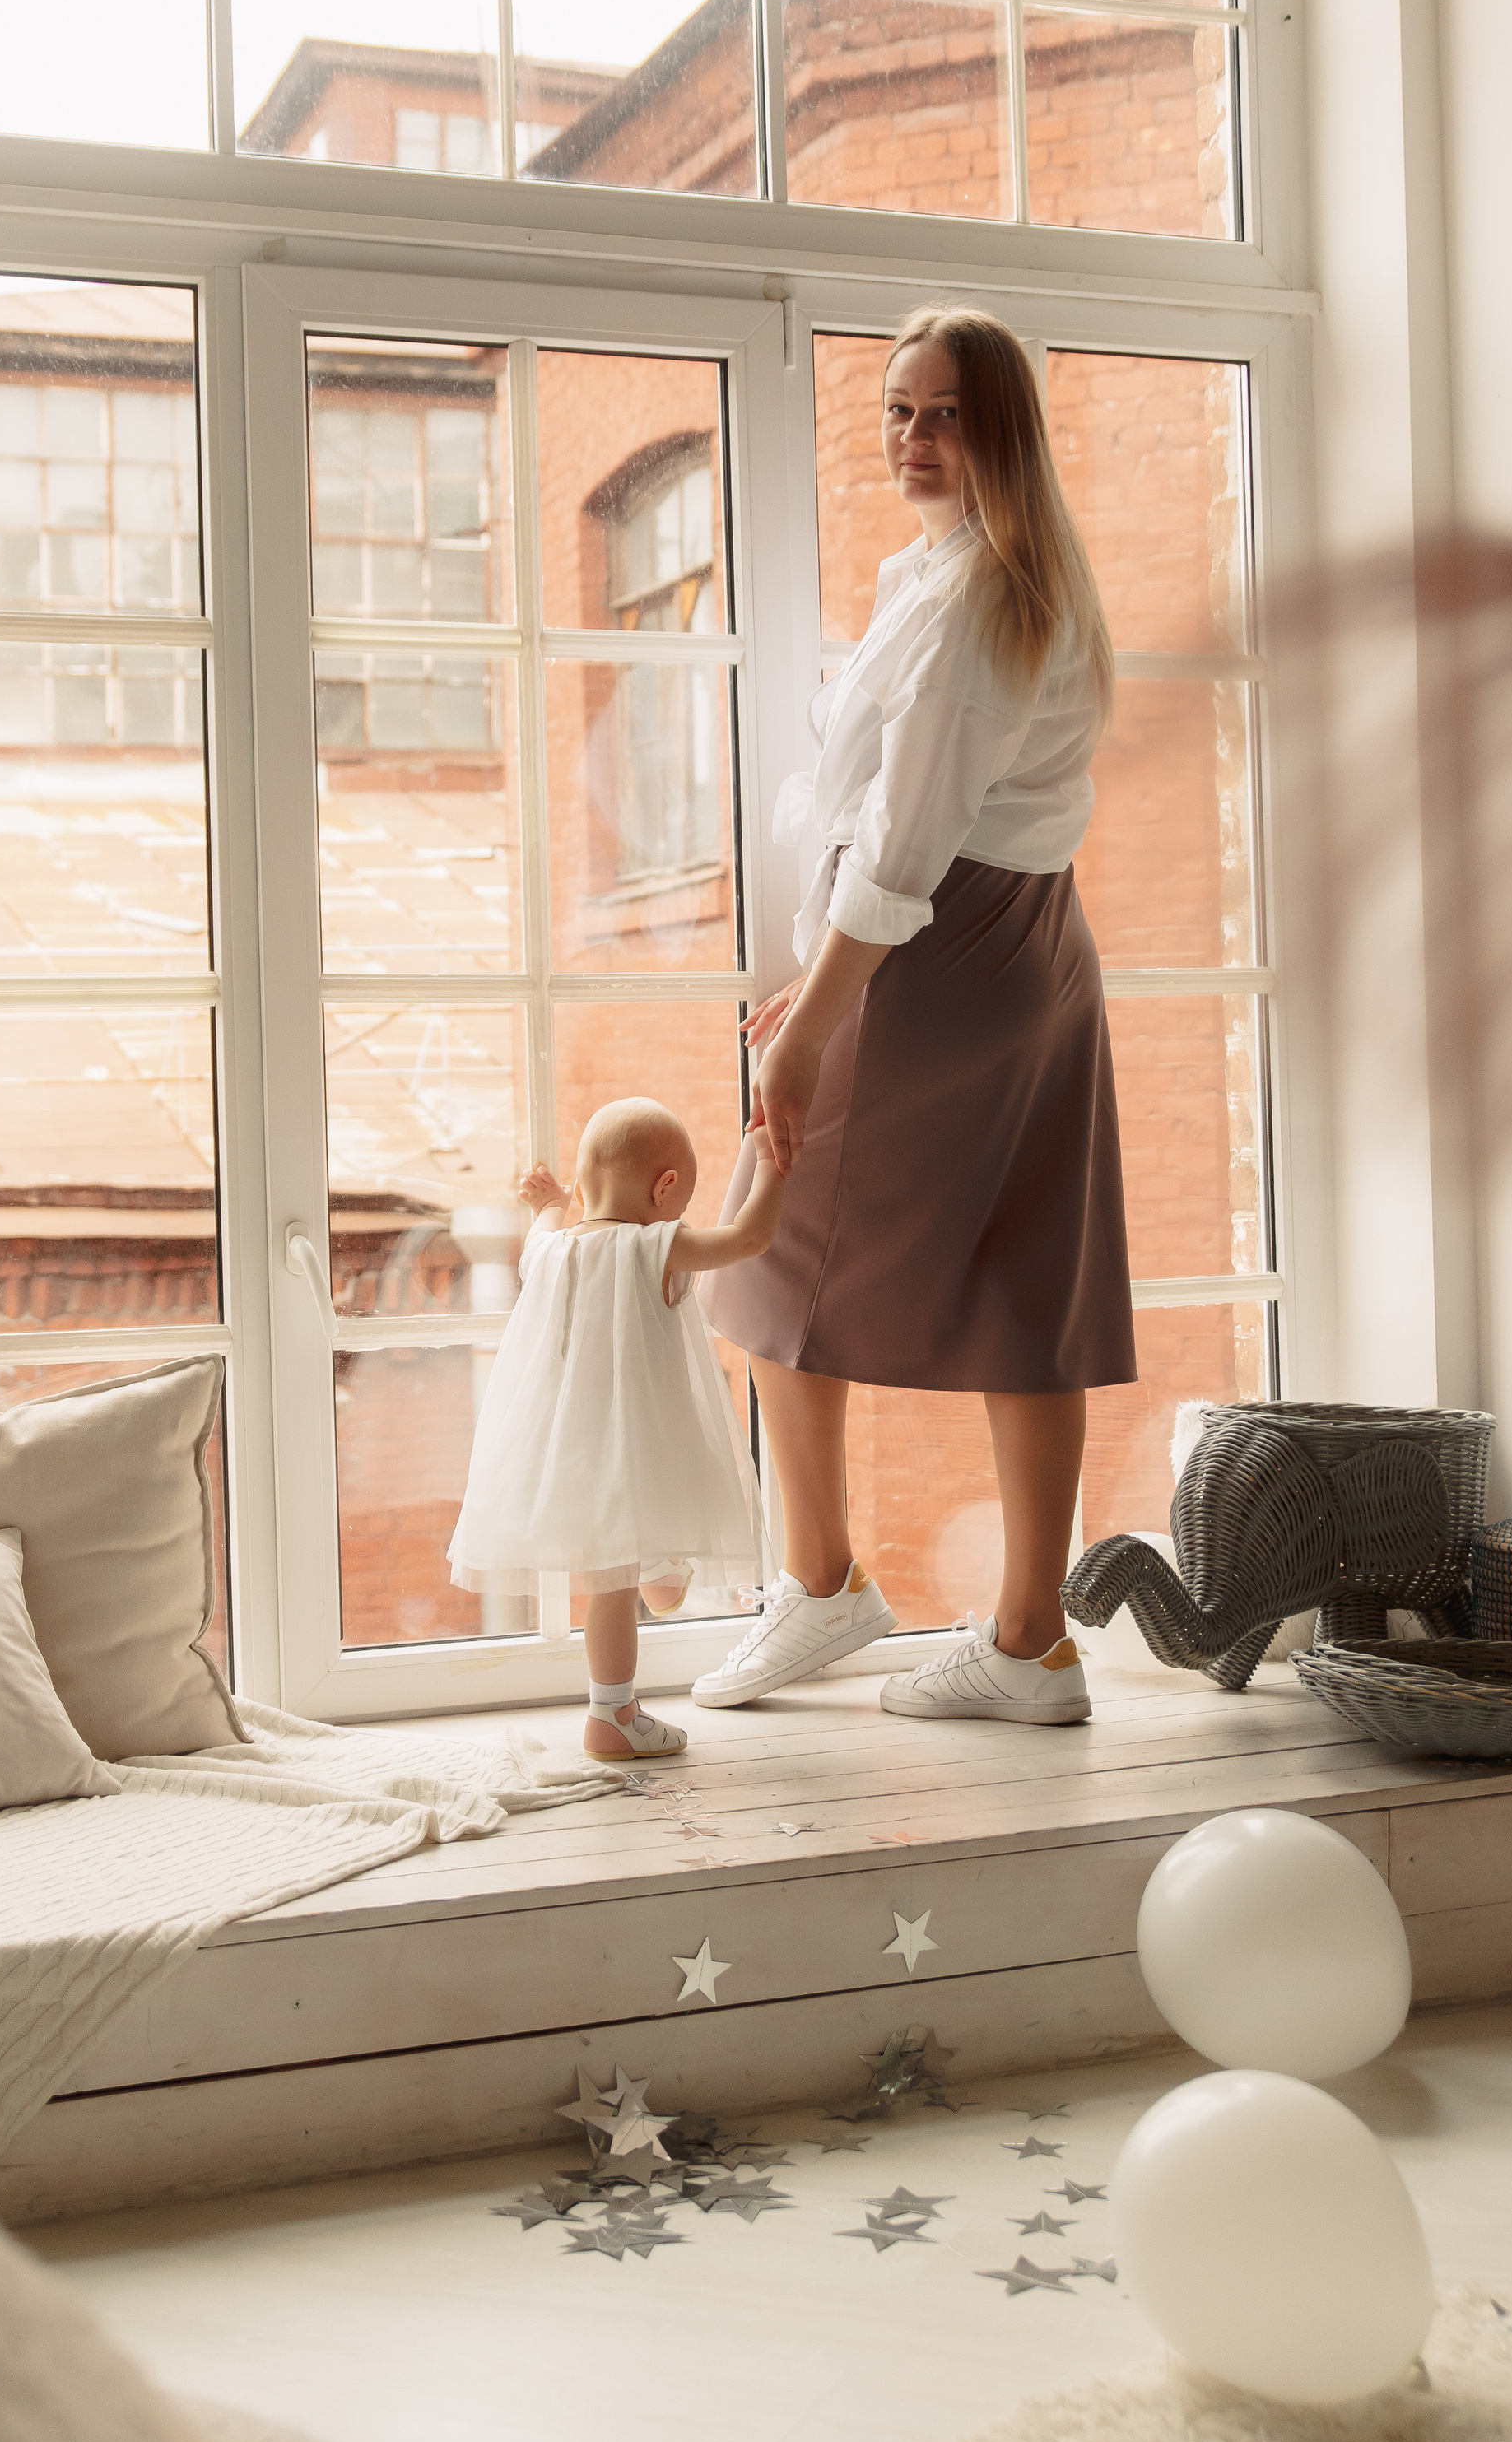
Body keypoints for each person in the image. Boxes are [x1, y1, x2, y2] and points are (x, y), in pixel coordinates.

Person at [692, 305, 1137, 1725]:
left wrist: (814, 1017)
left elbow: (901, 845)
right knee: (1029, 1281)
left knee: (764, 1260)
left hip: (928, 959)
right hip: (1031, 948)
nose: (912, 438)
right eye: (896, 411)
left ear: (1004, 427)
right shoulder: (994, 577)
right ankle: (1029, 1644)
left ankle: (822, 1587)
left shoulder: (972, 603)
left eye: (943, 413)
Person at [448, 1097, 782, 1761]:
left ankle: (630, 1657)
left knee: (624, 1578)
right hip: (635, 1446)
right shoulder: (655, 1244)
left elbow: (546, 1222)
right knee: (623, 1582)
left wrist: (548, 1200)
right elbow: (747, 1239)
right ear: (665, 1189)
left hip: (564, 1451)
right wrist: (774, 1166)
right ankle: (613, 1715)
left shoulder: (547, 1250)